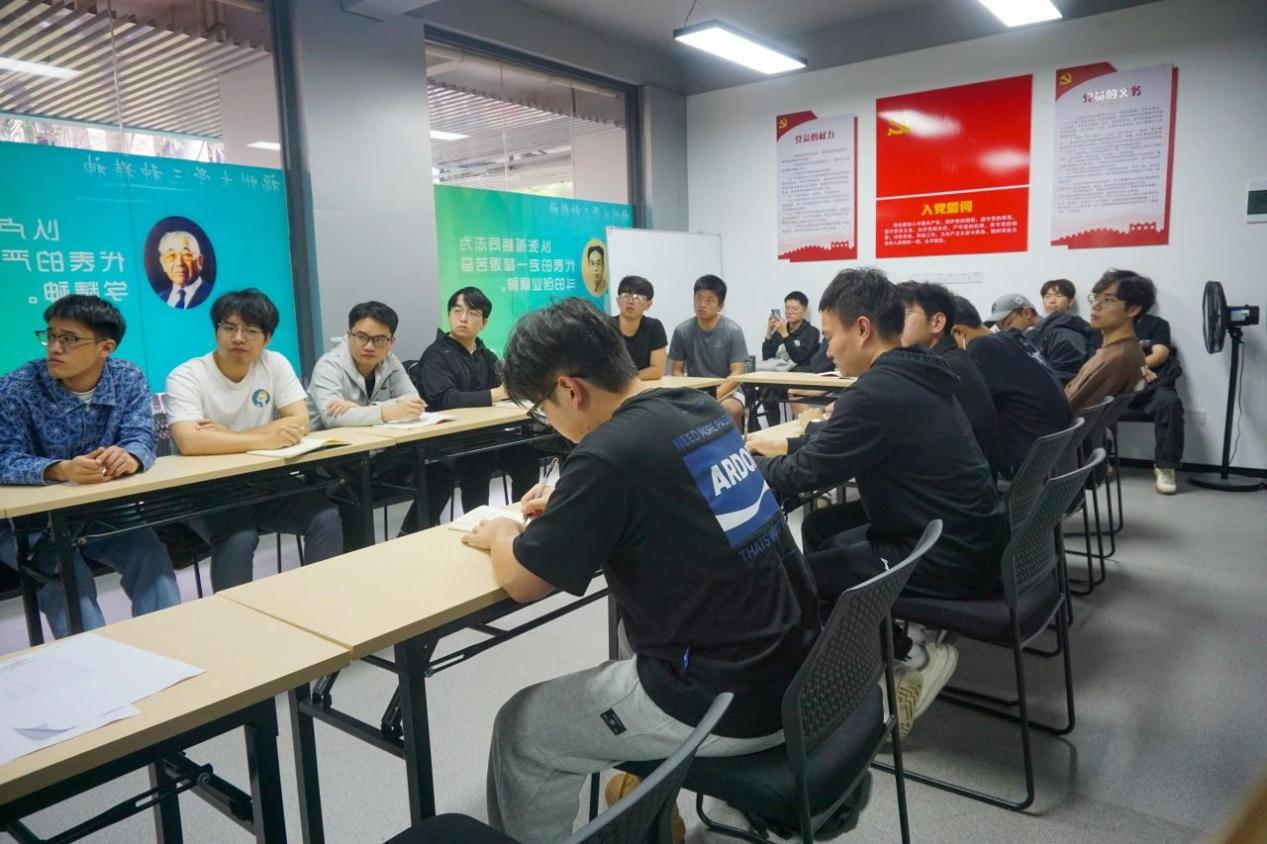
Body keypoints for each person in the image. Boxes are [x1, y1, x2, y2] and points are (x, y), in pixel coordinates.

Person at [461, 297, 819, 843]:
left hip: (728, 698)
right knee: (633, 637)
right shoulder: (696, 407)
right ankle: (651, 806)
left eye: (542, 408)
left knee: (521, 731)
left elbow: (524, 582)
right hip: (799, 671)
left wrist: (502, 532)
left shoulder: (607, 454)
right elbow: (664, 485)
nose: (549, 423)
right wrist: (576, 498)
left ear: (570, 390)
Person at [746, 268, 1008, 737]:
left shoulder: (877, 391)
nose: (828, 350)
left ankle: (900, 665)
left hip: (942, 556)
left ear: (862, 329)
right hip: (965, 537)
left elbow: (804, 474)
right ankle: (885, 655)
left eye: (831, 336)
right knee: (825, 535)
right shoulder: (918, 370)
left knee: (797, 580)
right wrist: (791, 448)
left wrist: (742, 468)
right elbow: (842, 441)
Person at [0, 295, 180, 637]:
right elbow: (3, 458)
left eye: (68, 339)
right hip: (28, 521)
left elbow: (141, 436)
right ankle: (92, 661)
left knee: (149, 555)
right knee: (68, 580)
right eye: (51, 335)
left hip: (100, 509)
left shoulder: (127, 378)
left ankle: (169, 646)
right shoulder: (16, 388)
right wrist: (60, 469)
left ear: (105, 347)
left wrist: (130, 456)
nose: (55, 347)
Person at [165, 289, 343, 590]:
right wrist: (265, 439)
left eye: (251, 330)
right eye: (229, 328)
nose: (238, 338)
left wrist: (227, 437)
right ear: (216, 332)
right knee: (239, 536)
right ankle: (233, 617)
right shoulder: (186, 376)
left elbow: (299, 420)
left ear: (267, 338)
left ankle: (322, 600)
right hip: (204, 488)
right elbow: (189, 442)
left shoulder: (274, 364)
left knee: (325, 516)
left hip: (262, 480)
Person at [308, 301, 453, 542]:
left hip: (376, 452)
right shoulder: (329, 365)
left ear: (391, 341)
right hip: (334, 459)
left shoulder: (390, 361)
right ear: (348, 335)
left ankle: (409, 539)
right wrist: (389, 411)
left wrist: (363, 410)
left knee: (440, 467)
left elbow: (414, 402)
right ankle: (361, 557)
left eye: (379, 340)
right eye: (361, 337)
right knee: (353, 488)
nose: (369, 346)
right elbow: (333, 418)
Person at [415, 287, 540, 512]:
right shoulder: (436, 354)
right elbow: (445, 399)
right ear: (449, 315)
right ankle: (477, 523)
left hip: (485, 435)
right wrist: (496, 394)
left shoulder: (485, 354)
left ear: (484, 323)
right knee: (477, 463)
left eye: (472, 313)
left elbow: (506, 387)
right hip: (449, 441)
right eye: (457, 311)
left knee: (526, 456)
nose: (463, 318)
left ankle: (524, 516)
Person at [950, 296, 1074, 479]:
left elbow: (975, 413)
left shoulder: (981, 348)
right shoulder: (1012, 339)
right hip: (1055, 455)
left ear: (958, 332)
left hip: (1028, 463)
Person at [1094, 270, 1185, 495]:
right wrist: (1134, 369)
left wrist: (1139, 368)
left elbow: (1160, 353)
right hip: (1116, 387)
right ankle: (1101, 461)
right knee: (1092, 404)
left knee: (1169, 403)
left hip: (1151, 389)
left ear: (1134, 307)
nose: (1098, 305)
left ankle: (1165, 467)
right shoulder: (1101, 325)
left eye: (1108, 299)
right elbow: (1098, 360)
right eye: (1097, 298)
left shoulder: (1156, 324)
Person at [897, 282, 999, 469]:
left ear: (936, 323)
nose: (892, 323)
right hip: (973, 474)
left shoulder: (937, 369)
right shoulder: (954, 357)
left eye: (903, 314)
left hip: (958, 480)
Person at [668, 275, 749, 431]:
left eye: (710, 300)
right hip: (694, 390)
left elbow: (737, 373)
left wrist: (712, 397)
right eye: (698, 298)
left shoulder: (733, 331)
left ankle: (734, 444)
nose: (702, 304)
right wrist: (690, 394)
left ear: (720, 306)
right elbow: (676, 371)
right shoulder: (682, 330)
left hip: (727, 390)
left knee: (731, 409)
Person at [1065, 270, 1151, 412]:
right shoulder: (1126, 349)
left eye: (1108, 300)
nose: (1095, 305)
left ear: (1133, 310)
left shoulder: (1116, 359)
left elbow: (1067, 411)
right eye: (1095, 297)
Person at [759, 290, 821, 427]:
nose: (789, 312)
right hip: (779, 379)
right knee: (759, 388)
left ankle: (787, 429)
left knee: (769, 389)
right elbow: (767, 358)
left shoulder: (812, 332)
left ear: (804, 310)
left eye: (794, 308)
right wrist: (769, 333)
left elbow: (799, 358)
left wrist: (785, 334)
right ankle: (772, 429)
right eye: (787, 308)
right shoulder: (780, 330)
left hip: (799, 379)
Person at [1027, 279, 1094, 383]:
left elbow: (1065, 374)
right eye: (1047, 296)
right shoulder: (1036, 331)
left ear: (1070, 301)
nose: (1052, 301)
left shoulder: (1069, 332)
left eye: (1058, 296)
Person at [611, 275, 667, 380]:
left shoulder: (654, 327)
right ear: (618, 301)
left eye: (637, 298)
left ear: (648, 304)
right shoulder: (606, 326)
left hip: (644, 386)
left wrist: (627, 380)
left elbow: (657, 370)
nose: (630, 301)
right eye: (626, 296)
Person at [156, 230, 212, 309]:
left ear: (200, 261)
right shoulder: (159, 298)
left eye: (186, 255)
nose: (179, 263)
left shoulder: (212, 295)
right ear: (163, 263)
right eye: (171, 256)